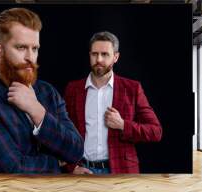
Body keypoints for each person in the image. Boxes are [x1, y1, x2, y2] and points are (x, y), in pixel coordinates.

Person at [0, 8, 84, 173]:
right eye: (21, 48)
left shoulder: (47, 92)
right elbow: (14, 169)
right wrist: (61, 164)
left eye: (34, 48)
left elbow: (76, 150)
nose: (30, 57)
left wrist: (36, 110)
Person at [64, 31, 162, 174]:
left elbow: (155, 131)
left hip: (121, 170)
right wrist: (71, 167)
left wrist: (123, 124)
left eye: (105, 54)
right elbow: (62, 132)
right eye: (94, 54)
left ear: (116, 57)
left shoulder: (132, 89)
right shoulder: (73, 89)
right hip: (82, 171)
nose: (99, 59)